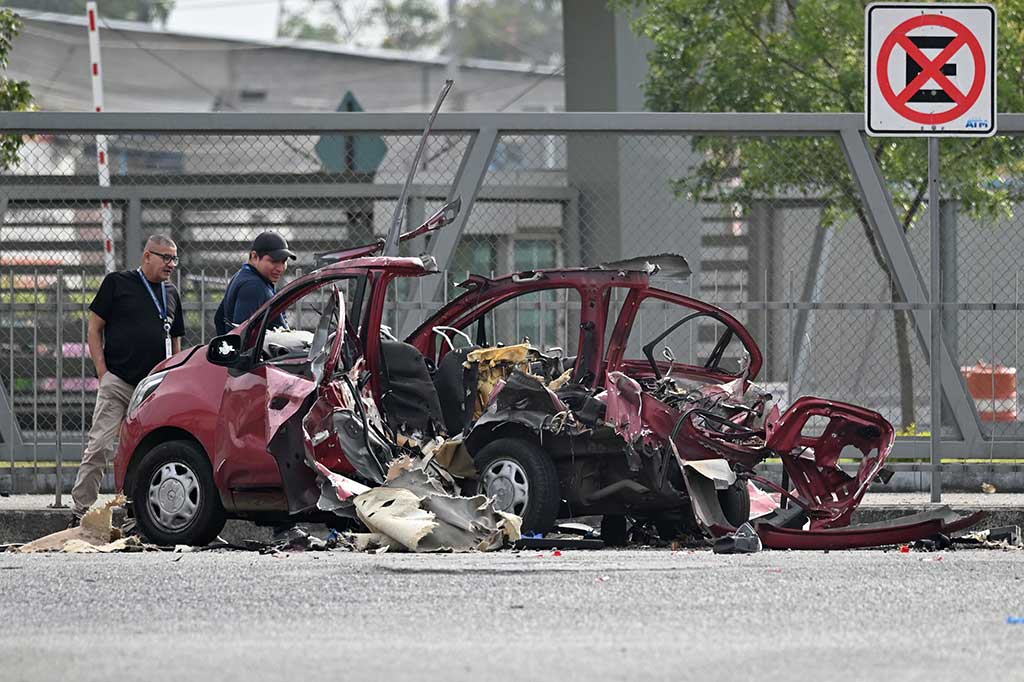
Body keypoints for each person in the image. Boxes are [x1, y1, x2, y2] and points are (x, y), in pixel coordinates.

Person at [70, 235, 185, 524]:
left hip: (153, 388)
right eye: (165, 257)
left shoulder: (171, 292)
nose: (171, 264)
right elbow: (95, 328)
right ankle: (79, 512)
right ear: (147, 256)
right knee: (99, 447)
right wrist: (103, 373)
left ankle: (138, 516)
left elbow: (176, 337)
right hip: (119, 381)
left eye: (174, 259)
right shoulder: (117, 283)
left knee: (145, 452)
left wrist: (172, 375)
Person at [214, 231, 296, 335]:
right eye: (274, 261)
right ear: (254, 257)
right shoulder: (253, 286)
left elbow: (219, 319)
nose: (280, 268)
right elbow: (243, 335)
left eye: (284, 261)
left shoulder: (243, 276)